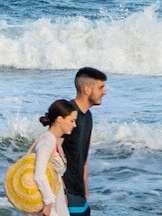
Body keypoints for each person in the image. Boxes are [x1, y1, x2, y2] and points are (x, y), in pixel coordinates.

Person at [62, 67, 107, 215]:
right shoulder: (66, 115)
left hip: (79, 193)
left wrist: (85, 191)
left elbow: (84, 158)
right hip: (64, 195)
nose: (104, 92)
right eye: (101, 87)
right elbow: (50, 151)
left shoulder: (88, 116)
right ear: (87, 89)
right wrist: (61, 193)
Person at [32, 99, 81, 216]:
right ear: (59, 119)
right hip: (46, 206)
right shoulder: (47, 140)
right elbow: (39, 174)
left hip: (56, 201)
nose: (74, 125)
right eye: (72, 120)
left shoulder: (55, 141)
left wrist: (63, 194)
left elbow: (56, 175)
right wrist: (48, 203)